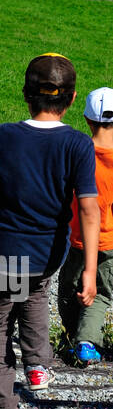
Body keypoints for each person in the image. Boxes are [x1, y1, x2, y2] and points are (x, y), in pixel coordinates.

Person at [0, 53, 99, 409]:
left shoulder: (8, 135)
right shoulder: (78, 145)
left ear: (26, 95)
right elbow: (89, 210)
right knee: (33, 296)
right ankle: (37, 367)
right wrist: (89, 270)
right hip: (48, 252)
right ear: (72, 99)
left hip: (4, 248)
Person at [57, 86, 113, 365]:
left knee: (69, 288)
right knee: (101, 293)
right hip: (110, 242)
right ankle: (87, 341)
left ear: (87, 119)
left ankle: (72, 338)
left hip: (76, 237)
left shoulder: (79, 152)